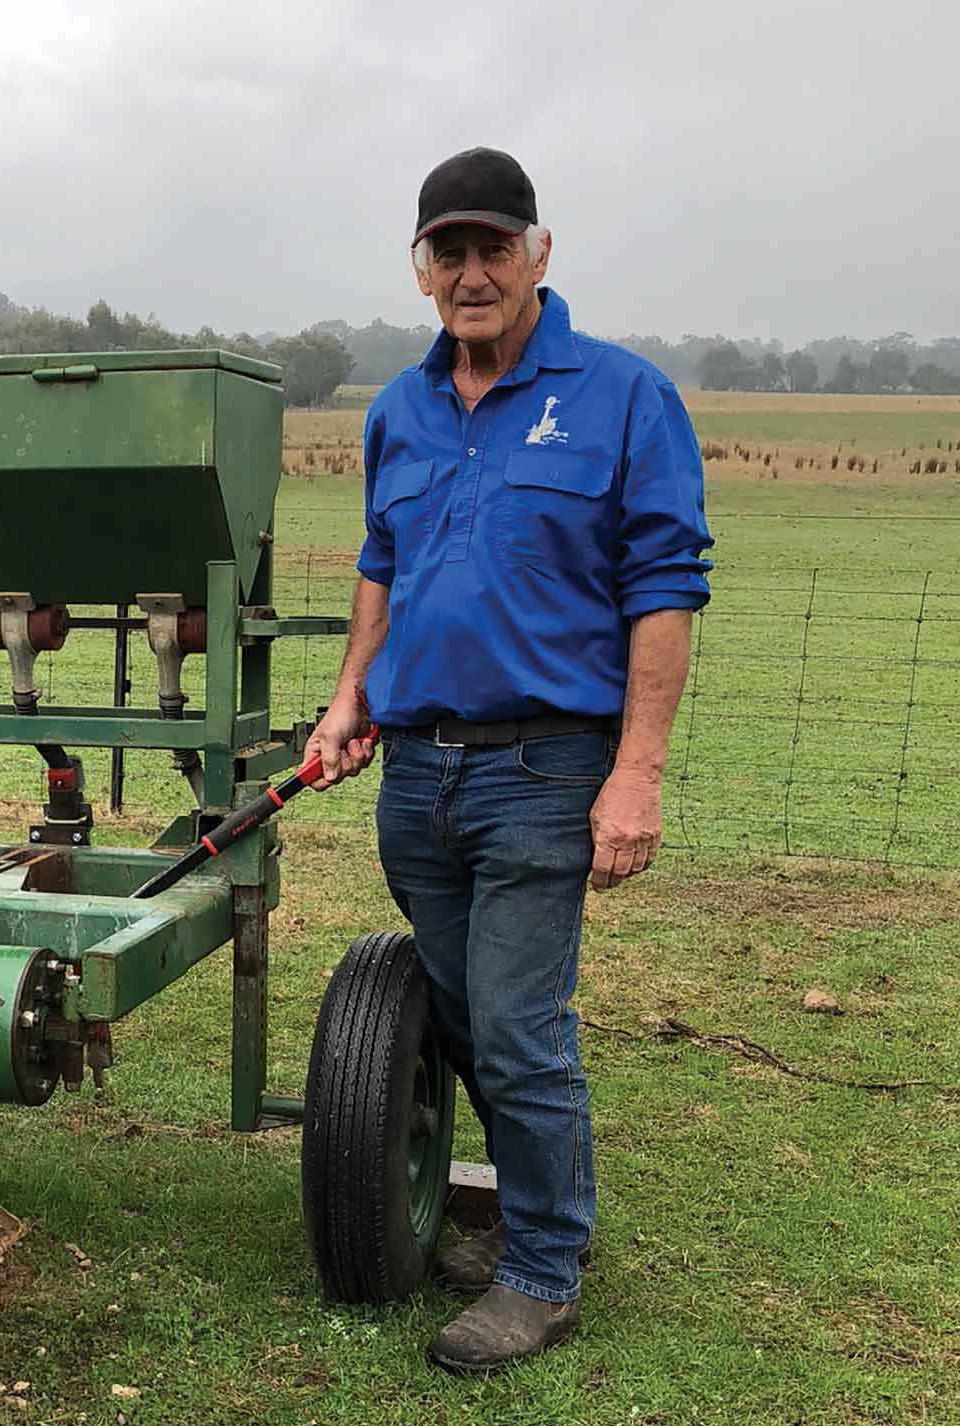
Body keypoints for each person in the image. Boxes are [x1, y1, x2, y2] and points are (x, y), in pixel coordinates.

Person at [307, 147, 713, 1373]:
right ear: (421, 269)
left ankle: (540, 1268)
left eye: (495, 246)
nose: (472, 272)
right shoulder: (397, 409)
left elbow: (663, 588)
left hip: (544, 767)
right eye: (450, 250)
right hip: (415, 770)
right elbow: (383, 567)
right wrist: (346, 703)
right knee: (471, 1014)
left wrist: (635, 771)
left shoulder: (622, 396)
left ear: (541, 253)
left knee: (521, 1025)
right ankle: (545, 1220)